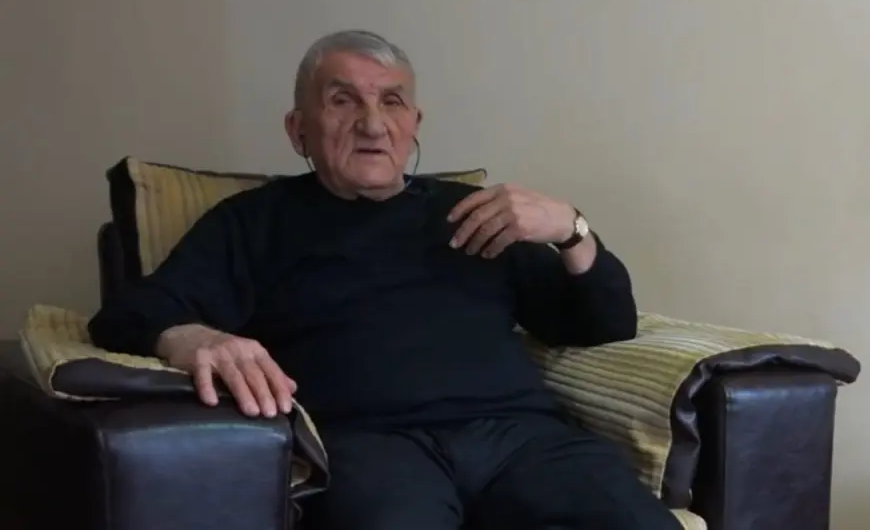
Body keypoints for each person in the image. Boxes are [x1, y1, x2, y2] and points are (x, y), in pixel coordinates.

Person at [87, 29, 681, 530]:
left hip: (521, 438)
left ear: (414, 123)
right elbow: (128, 312)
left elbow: (604, 324)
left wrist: (571, 229)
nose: (373, 124)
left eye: (392, 101)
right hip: (368, 445)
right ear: (298, 129)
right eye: (342, 100)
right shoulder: (253, 223)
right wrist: (193, 337)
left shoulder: (473, 212)